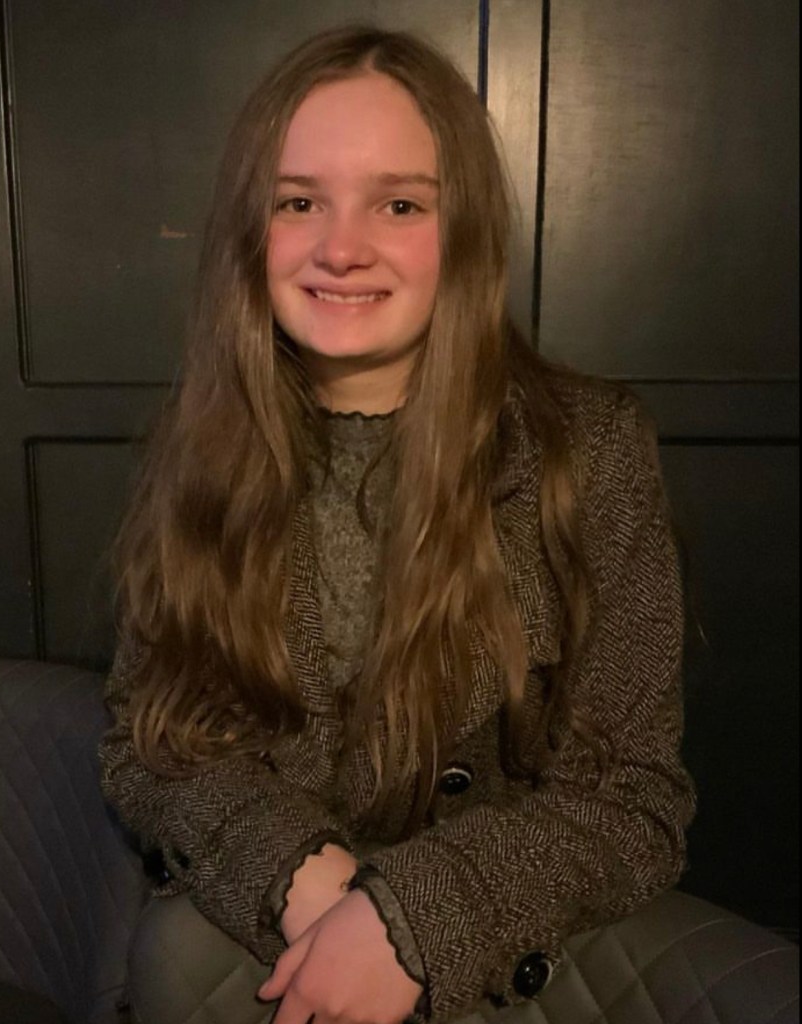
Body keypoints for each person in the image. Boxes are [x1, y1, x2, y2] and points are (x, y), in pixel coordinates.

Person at [98, 25, 696, 1024]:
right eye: (298, 202)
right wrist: (298, 875)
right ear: (252, 230)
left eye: (400, 204)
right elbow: (148, 743)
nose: (341, 247)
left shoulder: (590, 448)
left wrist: (411, 921)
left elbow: (635, 799)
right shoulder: (201, 443)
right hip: (263, 964)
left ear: (463, 230)